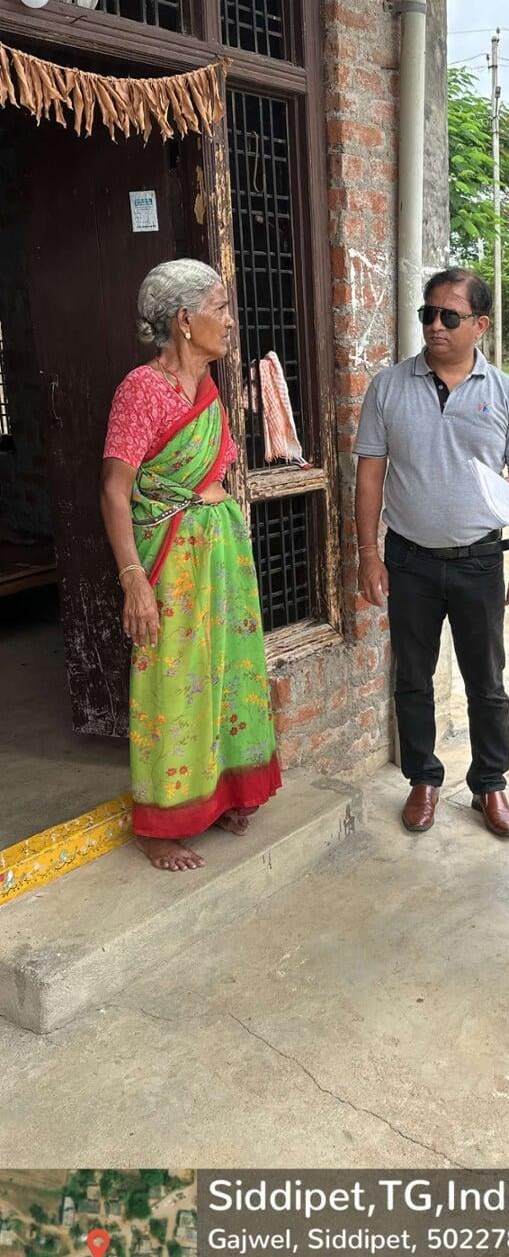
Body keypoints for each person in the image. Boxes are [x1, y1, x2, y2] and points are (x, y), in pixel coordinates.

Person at [100, 260, 281, 873]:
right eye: (220, 308)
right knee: (173, 679)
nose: (230, 321)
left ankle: (222, 792)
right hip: (169, 560)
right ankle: (162, 824)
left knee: (226, 673)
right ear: (184, 320)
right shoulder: (141, 390)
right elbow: (115, 491)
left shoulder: (207, 390)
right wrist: (133, 580)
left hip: (219, 554)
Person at [354, 267, 509, 837]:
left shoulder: (506, 393)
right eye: (428, 314)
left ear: (480, 325)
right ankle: (423, 778)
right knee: (412, 677)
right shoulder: (389, 387)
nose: (435, 325)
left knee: (486, 680)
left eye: (450, 316)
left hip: (479, 560)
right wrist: (367, 553)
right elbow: (369, 476)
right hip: (408, 561)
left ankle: (490, 784)